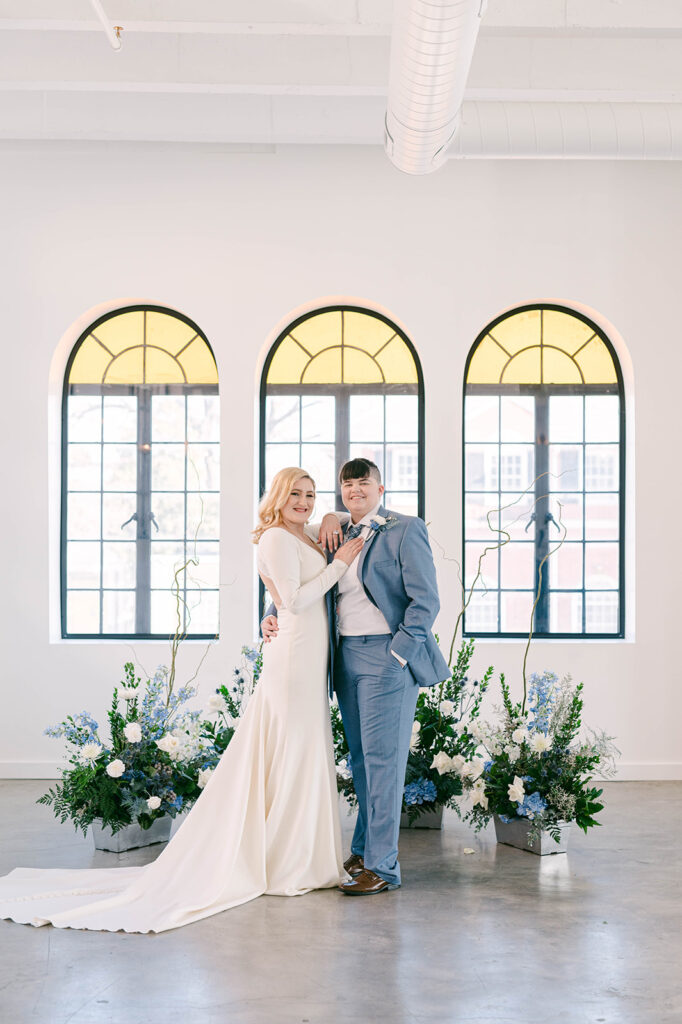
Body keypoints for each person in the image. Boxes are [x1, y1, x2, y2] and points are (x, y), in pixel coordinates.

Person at [0, 468, 363, 933]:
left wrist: (332, 512)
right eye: (294, 493)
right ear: (276, 496)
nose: (304, 501)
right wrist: (340, 566)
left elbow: (311, 545)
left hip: (310, 656)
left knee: (306, 748)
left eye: (311, 495)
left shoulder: (303, 533)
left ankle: (300, 854)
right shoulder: (275, 537)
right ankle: (290, 862)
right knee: (292, 749)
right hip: (293, 656)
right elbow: (292, 600)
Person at [263, 458, 449, 895]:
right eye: (348, 486)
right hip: (343, 656)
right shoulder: (334, 531)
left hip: (387, 656)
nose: (356, 491)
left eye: (364, 484)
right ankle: (363, 850)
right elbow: (298, 576)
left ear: (380, 489)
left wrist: (399, 654)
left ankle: (382, 868)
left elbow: (426, 601)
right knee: (362, 761)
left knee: (385, 763)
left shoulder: (406, 529)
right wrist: (270, 614)